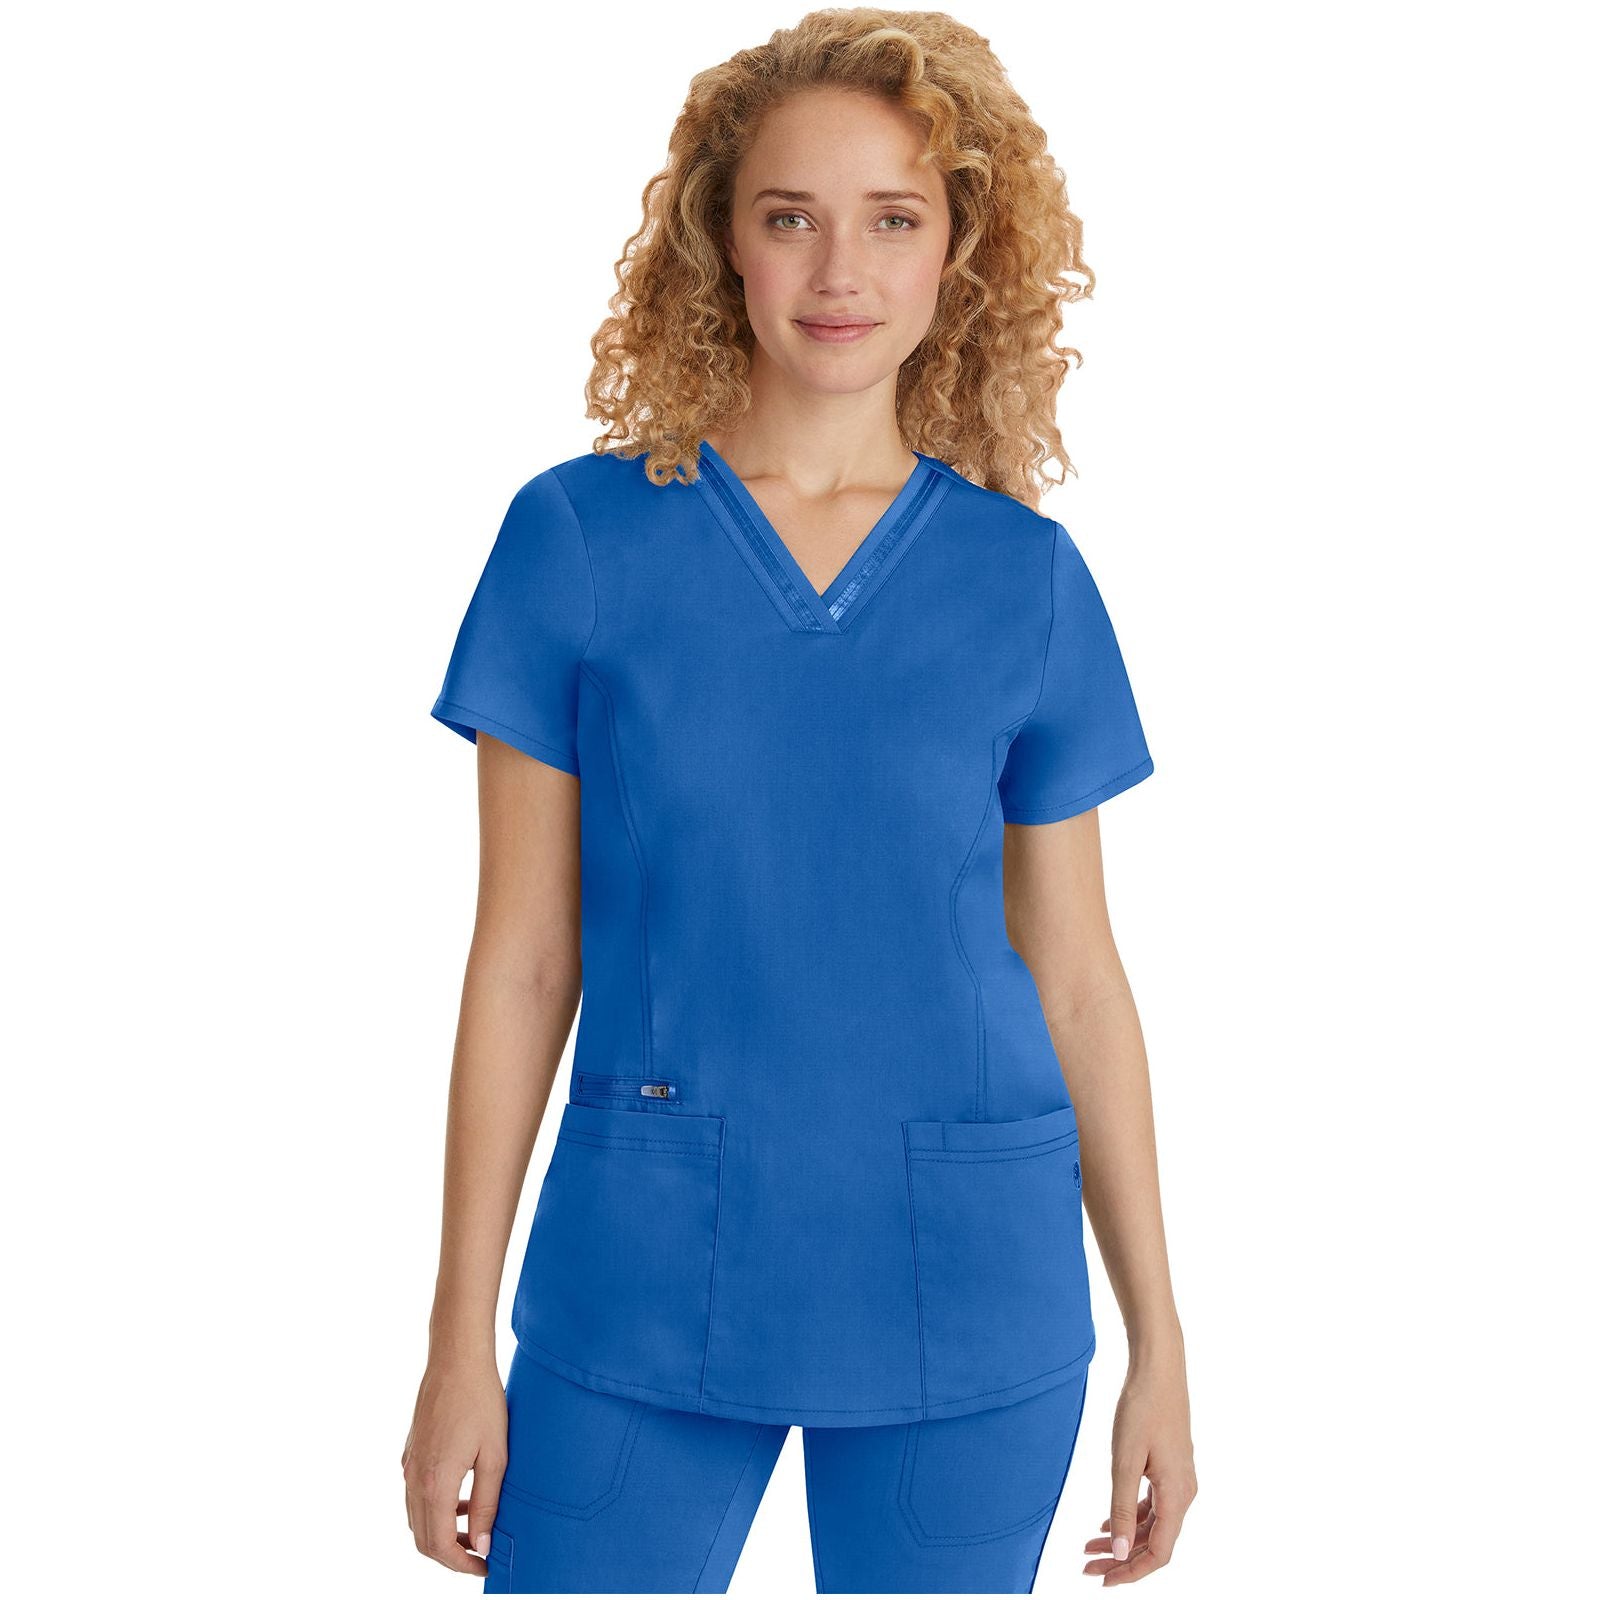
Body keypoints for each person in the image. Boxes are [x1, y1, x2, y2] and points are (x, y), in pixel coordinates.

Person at [402, 9, 1197, 1593]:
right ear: (722, 241)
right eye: (791, 217)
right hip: (639, 1274)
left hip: (969, 1286)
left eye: (894, 219)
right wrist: (455, 1339)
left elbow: (1078, 979)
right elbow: (524, 963)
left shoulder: (1025, 579)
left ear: (961, 252)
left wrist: (1160, 1343)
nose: (841, 271)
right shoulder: (578, 542)